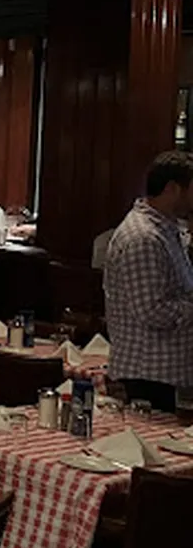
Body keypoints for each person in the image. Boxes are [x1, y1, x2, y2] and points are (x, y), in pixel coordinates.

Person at [104, 151, 193, 411]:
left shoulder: (167, 231)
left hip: (167, 374)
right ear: (173, 189)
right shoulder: (143, 238)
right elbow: (151, 312)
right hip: (149, 377)